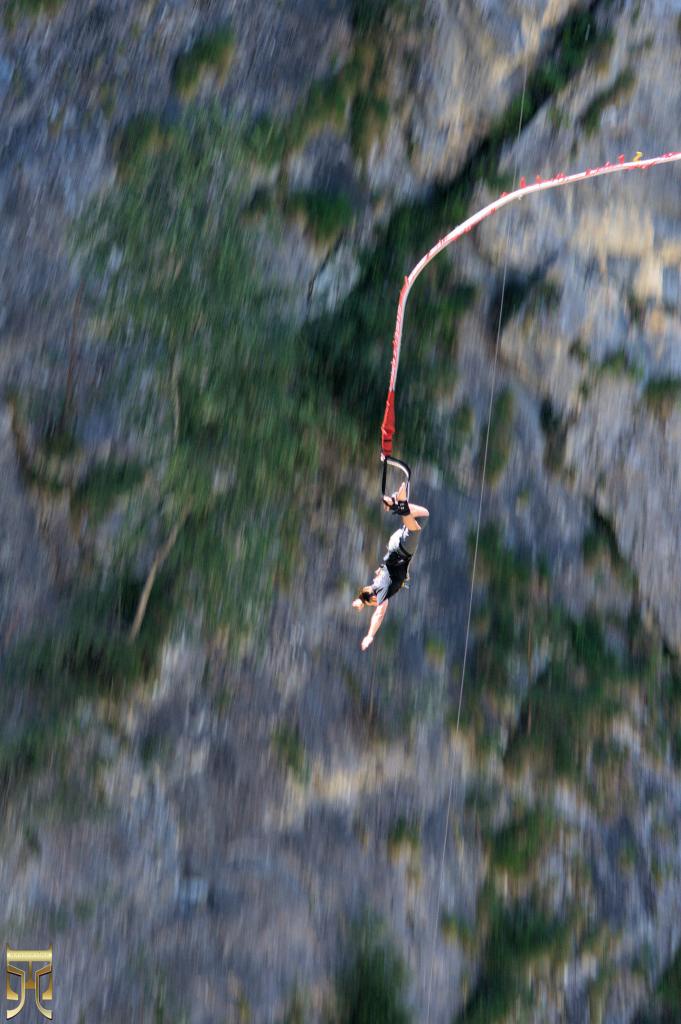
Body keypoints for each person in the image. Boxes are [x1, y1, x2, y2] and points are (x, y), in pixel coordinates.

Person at [352, 481, 429, 650]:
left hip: (403, 549)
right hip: (395, 542)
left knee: (415, 528)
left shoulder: (381, 594)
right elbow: (367, 595)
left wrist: (370, 635)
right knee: (422, 515)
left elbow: (378, 615)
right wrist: (360, 601)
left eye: (372, 603)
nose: (377, 605)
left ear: (374, 599)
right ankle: (396, 505)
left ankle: (400, 505)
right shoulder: (377, 581)